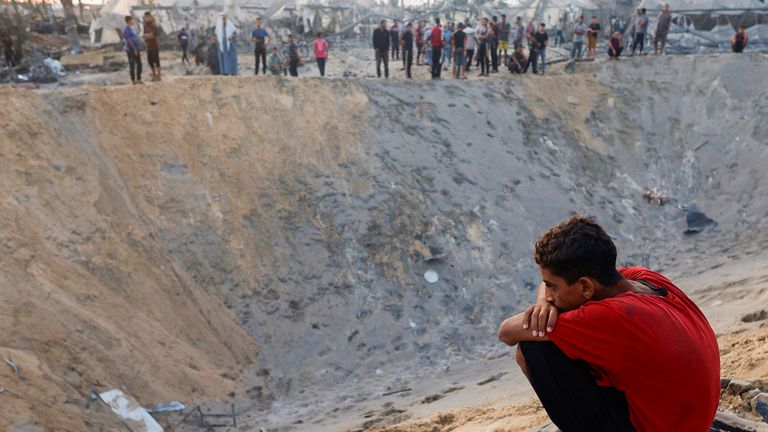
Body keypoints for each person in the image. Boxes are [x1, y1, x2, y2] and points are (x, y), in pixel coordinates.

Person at [497, 215, 719, 432]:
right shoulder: (644, 278)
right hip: (691, 418)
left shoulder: (610, 317)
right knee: (553, 333)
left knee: (533, 348)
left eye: (552, 287)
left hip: (667, 426)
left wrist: (544, 308)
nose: (550, 294)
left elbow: (507, 332)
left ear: (585, 287)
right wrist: (544, 304)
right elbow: (546, 287)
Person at [123, 16, 143, 84]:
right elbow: (129, 40)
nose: (133, 21)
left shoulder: (132, 29)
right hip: (131, 49)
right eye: (132, 20)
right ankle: (133, 80)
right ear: (129, 21)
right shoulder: (126, 30)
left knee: (139, 64)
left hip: (136, 48)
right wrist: (134, 49)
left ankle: (139, 78)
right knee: (132, 64)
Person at [143, 12, 161, 81]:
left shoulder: (154, 26)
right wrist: (147, 36)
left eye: (148, 17)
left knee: (156, 61)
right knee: (150, 61)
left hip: (154, 46)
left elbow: (153, 35)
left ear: (150, 17)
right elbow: (146, 35)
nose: (146, 18)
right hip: (148, 46)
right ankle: (154, 75)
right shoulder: (145, 26)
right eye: (145, 17)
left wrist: (147, 35)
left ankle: (158, 75)